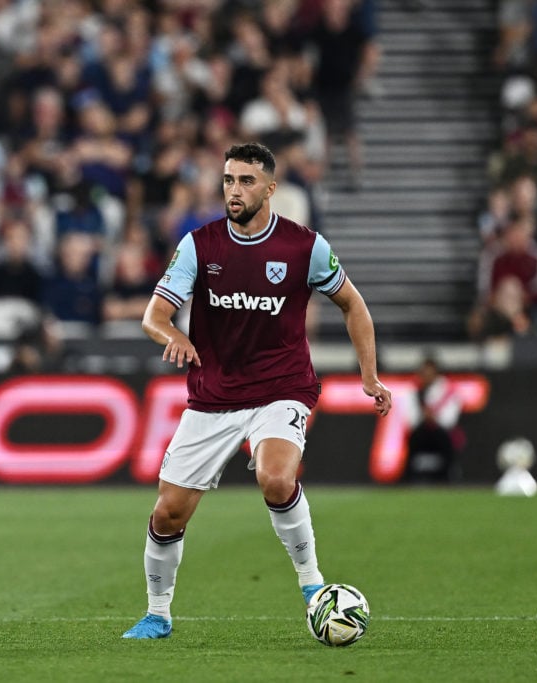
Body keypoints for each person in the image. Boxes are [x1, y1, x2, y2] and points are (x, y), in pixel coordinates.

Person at [121, 142, 392, 640]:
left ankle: (313, 585)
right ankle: (157, 613)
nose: (234, 190)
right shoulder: (198, 245)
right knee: (168, 512)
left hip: (281, 388)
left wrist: (368, 376)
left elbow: (353, 305)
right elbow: (152, 316)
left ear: (271, 188)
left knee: (274, 477)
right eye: (228, 180)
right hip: (213, 395)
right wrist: (173, 334)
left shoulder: (304, 247)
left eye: (246, 181)